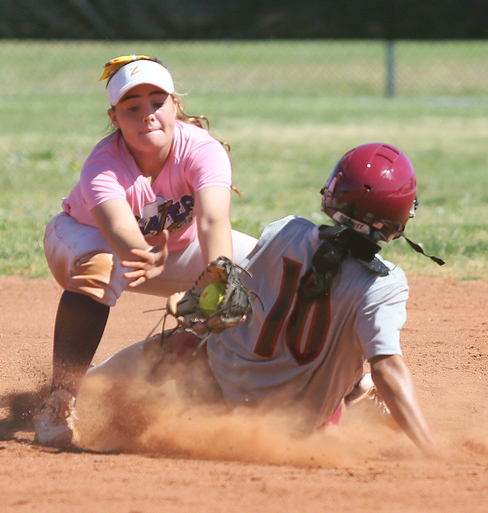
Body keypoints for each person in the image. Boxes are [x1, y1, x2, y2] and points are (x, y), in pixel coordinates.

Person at [77, 142, 443, 456]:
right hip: (298, 429)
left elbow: (233, 302)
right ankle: (355, 397)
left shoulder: (285, 231)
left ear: (334, 190)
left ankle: (76, 395)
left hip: (213, 397)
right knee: (344, 356)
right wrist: (430, 449)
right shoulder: (384, 284)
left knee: (182, 340)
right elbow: (388, 368)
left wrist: (203, 311)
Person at [34, 54, 258, 446]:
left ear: (175, 105)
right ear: (114, 116)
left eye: (157, 101)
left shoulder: (202, 150)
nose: (147, 114)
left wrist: (220, 276)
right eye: (132, 107)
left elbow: (212, 222)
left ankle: (342, 382)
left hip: (174, 251)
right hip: (83, 240)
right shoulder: (102, 166)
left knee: (268, 263)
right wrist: (141, 252)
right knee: (101, 268)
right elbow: (118, 226)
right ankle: (60, 400)